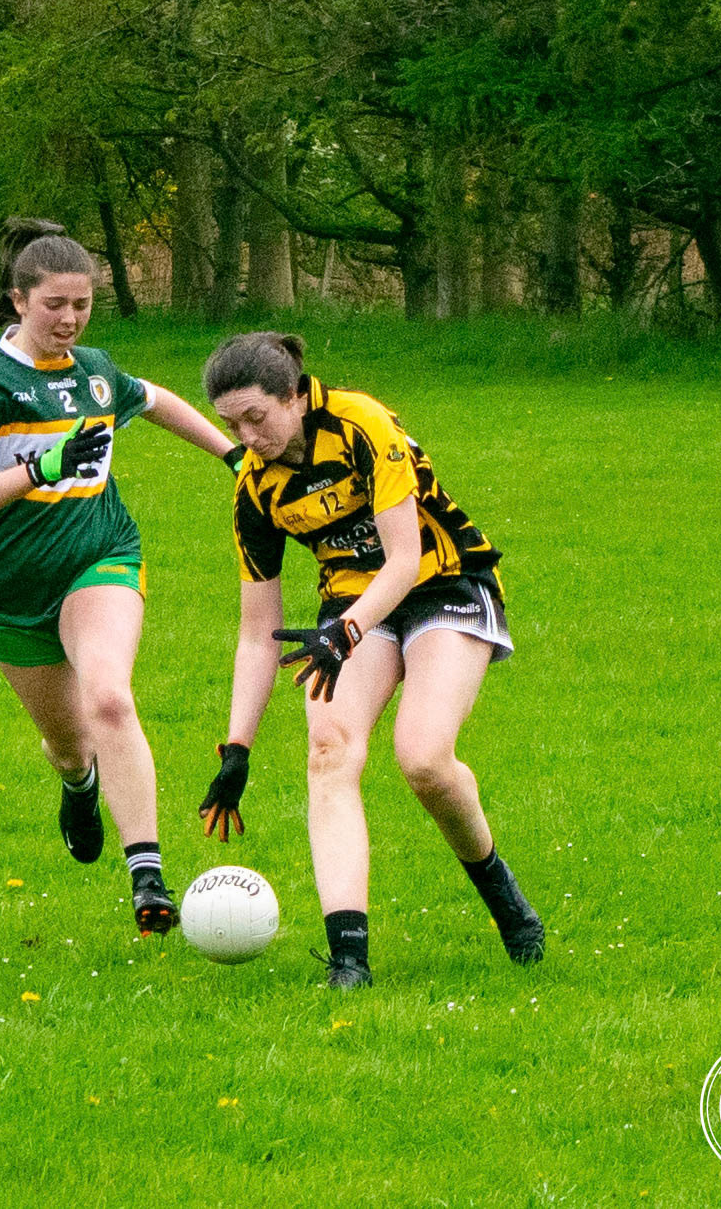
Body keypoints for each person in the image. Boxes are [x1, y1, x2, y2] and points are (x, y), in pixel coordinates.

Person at [195, 331, 545, 989]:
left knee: (423, 757)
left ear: (294, 395)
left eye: (256, 417)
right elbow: (258, 632)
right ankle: (348, 959)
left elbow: (404, 559)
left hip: (443, 584)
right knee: (328, 750)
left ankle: (500, 891)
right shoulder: (254, 489)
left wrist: (343, 633)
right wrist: (236, 749)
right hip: (353, 608)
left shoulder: (361, 422)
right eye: (231, 425)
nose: (246, 437)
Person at [0, 219, 243, 935]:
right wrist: (41, 467)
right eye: (54, 305)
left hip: (99, 555)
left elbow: (152, 399)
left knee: (108, 694)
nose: (69, 319)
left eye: (82, 305)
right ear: (18, 300)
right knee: (71, 745)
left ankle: (147, 875)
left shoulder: (94, 371)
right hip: (9, 589)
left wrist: (232, 456)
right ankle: (79, 784)